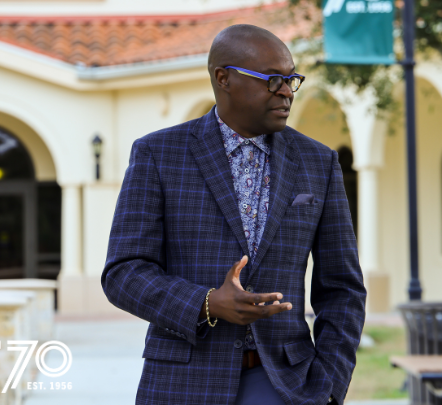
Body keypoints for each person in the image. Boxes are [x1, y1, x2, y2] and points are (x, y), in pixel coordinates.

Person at [102, 24, 367, 405]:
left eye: (291, 79)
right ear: (223, 78)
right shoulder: (159, 155)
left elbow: (342, 288)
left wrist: (328, 387)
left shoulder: (318, 162)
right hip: (183, 382)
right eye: (273, 79)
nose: (286, 91)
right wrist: (207, 303)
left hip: (286, 384)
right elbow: (123, 273)